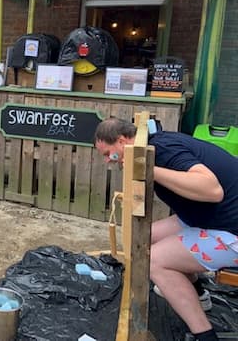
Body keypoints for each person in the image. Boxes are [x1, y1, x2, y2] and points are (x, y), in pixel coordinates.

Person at [94, 117, 238, 341]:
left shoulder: (161, 151)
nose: (108, 161)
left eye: (107, 154)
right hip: (210, 217)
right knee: (144, 238)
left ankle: (205, 335)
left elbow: (212, 190)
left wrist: (149, 169)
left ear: (122, 142)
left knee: (153, 261)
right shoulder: (157, 143)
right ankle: (199, 295)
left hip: (231, 229)